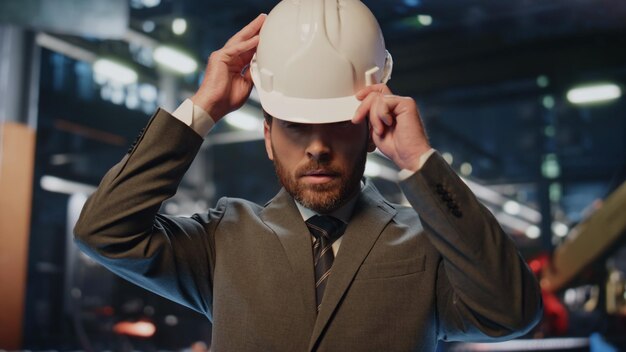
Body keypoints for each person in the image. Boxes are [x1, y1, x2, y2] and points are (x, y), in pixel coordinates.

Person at [74, 1, 542, 350]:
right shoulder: (222, 239)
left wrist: (419, 160)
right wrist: (202, 109)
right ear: (268, 136)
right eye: (297, 126)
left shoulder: (426, 243)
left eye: (338, 124)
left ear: (368, 133)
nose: (317, 147)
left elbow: (512, 312)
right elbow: (104, 232)